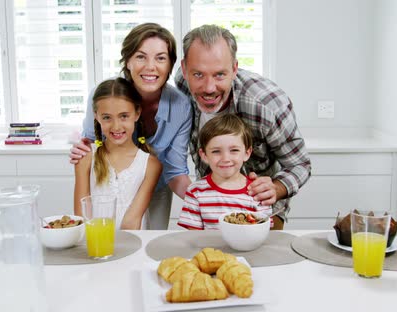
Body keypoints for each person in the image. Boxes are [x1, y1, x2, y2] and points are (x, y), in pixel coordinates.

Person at [175, 24, 312, 229]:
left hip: (260, 206)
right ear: (185, 70)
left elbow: (300, 164)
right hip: (210, 206)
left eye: (220, 74)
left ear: (235, 68)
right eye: (198, 75)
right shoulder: (182, 84)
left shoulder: (268, 105)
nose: (209, 88)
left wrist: (277, 187)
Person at [70, 23, 193, 230]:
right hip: (107, 185)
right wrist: (81, 149)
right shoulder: (106, 94)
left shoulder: (181, 106)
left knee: (149, 241)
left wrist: (206, 200)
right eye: (140, 56)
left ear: (171, 64)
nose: (150, 66)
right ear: (127, 61)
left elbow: (176, 170)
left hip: (157, 187)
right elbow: (92, 142)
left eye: (160, 58)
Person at [73, 78, 162, 230]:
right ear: (96, 116)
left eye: (124, 116)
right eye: (107, 117)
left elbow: (132, 221)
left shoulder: (151, 164)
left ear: (137, 113)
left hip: (134, 243)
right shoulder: (86, 157)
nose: (116, 126)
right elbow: (82, 217)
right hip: (96, 244)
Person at [177, 114, 273, 230]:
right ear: (204, 155)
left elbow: (263, 230)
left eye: (234, 150)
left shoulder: (257, 192)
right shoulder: (195, 191)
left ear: (247, 153)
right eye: (216, 151)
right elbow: (194, 236)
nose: (225, 158)